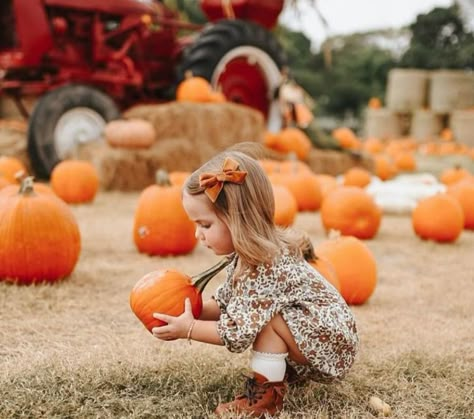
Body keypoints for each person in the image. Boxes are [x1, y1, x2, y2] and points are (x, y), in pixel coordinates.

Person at [152, 145, 359, 417]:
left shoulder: (264, 265)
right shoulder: (249, 256)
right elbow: (228, 302)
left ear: (238, 220)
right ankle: (278, 373)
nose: (197, 235)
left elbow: (236, 333)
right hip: (319, 333)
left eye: (205, 225)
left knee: (268, 320)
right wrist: (191, 308)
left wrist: (189, 328)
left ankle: (266, 398)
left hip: (331, 341)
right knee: (264, 315)